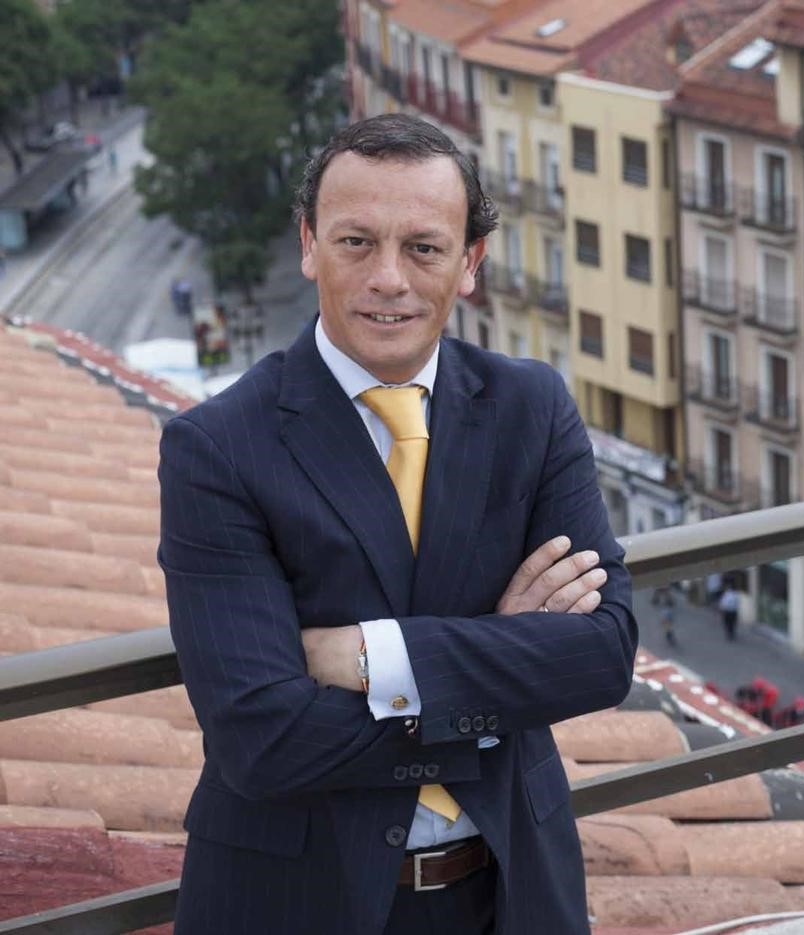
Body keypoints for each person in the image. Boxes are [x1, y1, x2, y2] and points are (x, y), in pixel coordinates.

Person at [158, 113, 637, 935]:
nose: (389, 278)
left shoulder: (532, 408)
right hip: (296, 904)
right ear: (309, 245)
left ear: (470, 261)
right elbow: (262, 739)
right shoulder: (218, 447)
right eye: (356, 242)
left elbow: (601, 654)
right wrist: (499, 669)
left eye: (423, 247)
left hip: (514, 888)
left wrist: (374, 658)